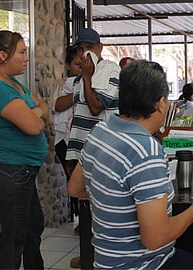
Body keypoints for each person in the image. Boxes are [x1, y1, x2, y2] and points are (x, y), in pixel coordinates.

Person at [68, 60, 193, 269]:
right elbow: (155, 238)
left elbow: (75, 188)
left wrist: (117, 200)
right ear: (160, 104)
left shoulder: (100, 131)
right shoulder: (146, 151)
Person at [0, 30, 48, 269]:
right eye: (22, 53)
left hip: (21, 172)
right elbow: (35, 126)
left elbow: (43, 105)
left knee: (33, 227)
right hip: (10, 172)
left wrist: (35, 113)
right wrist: (36, 115)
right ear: (2, 55)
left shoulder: (12, 83)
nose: (26, 58)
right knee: (15, 238)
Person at [66, 27, 121, 269]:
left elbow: (97, 107)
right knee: (84, 206)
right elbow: (79, 114)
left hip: (102, 153)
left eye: (89, 47)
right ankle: (87, 254)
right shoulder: (79, 78)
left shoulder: (110, 70)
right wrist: (71, 151)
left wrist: (88, 77)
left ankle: (100, 256)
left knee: (101, 206)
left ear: (100, 48)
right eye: (80, 49)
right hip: (80, 149)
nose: (84, 53)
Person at [53, 46, 81, 223]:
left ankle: (84, 219)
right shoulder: (66, 84)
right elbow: (57, 105)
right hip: (65, 139)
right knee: (74, 178)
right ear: (68, 65)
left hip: (81, 138)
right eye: (78, 64)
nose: (81, 68)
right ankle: (79, 217)